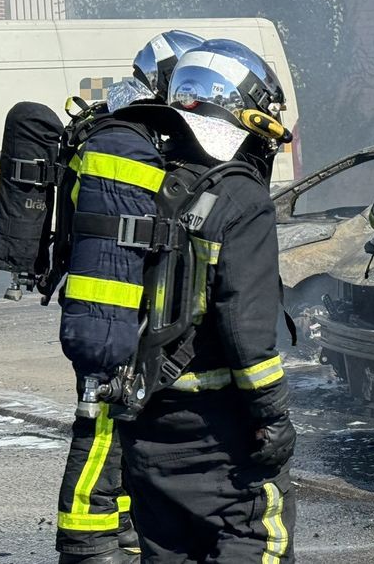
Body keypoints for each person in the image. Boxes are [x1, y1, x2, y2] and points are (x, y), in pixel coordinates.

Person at [114, 39, 296, 562]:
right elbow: (246, 327)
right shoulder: (242, 199)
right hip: (219, 429)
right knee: (254, 541)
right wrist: (274, 416)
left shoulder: (144, 182)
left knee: (166, 549)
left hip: (146, 415)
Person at [55, 30, 203, 564]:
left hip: (114, 309)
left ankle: (114, 524)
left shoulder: (123, 130)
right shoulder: (125, 142)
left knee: (120, 419)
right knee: (101, 421)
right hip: (110, 313)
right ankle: (86, 539)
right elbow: (141, 226)